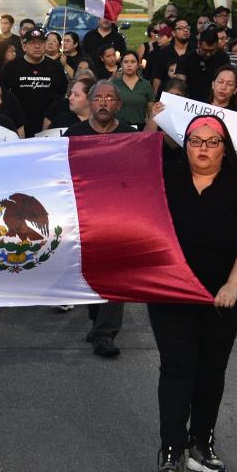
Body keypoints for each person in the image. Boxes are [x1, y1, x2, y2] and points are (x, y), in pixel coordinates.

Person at [149, 115, 237, 472]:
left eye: (212, 142)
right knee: (178, 365)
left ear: (224, 147)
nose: (203, 149)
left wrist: (233, 284)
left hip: (222, 295)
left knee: (211, 368)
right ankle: (171, 452)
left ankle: (202, 443)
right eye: (195, 141)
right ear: (185, 145)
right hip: (171, 290)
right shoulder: (165, 180)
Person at [65, 82, 137, 358]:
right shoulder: (74, 134)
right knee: (91, 276)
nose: (104, 102)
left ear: (119, 104)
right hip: (83, 217)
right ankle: (97, 321)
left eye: (110, 98)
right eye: (98, 98)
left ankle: (105, 334)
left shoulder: (129, 135)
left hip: (118, 219)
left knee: (115, 276)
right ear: (90, 104)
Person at [0, 29, 68, 136]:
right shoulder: (12, 67)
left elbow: (61, 94)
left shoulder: (55, 67)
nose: (37, 46)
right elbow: (3, 93)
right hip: (19, 124)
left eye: (41, 43)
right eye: (32, 43)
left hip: (48, 125)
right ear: (24, 46)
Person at [178, 28, 231, 101]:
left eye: (212, 50)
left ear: (216, 45)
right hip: (191, 102)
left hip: (215, 103)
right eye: (205, 50)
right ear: (198, 44)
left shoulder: (223, 58)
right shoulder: (185, 59)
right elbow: (179, 84)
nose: (208, 54)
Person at [111, 51, 154, 128]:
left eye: (133, 62)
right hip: (118, 128)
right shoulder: (114, 84)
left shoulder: (146, 84)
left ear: (138, 65)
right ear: (121, 64)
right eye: (126, 62)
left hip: (140, 127)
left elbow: (151, 112)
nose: (129, 65)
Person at [150, 19, 193, 95]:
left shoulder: (195, 51)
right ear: (173, 33)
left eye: (187, 28)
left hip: (190, 99)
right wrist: (156, 99)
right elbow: (157, 79)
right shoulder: (162, 53)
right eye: (180, 28)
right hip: (166, 97)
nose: (185, 30)